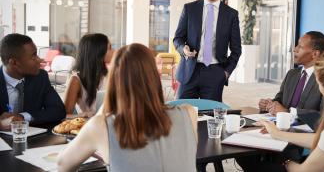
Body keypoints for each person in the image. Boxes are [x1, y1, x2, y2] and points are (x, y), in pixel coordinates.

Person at [57, 43, 197, 172]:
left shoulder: (100, 126)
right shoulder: (189, 113)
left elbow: (62, 165)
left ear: (114, 80)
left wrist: (108, 101)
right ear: (155, 76)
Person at [259, 49, 324, 171]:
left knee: (255, 163)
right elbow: (322, 138)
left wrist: (286, 162)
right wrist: (277, 133)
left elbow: (303, 170)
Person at [173, 0, 241, 102]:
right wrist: (183, 50)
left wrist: (225, 73)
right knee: (181, 113)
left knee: (210, 118)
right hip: (189, 70)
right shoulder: (189, 9)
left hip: (215, 72)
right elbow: (178, 38)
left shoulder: (231, 14)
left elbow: (236, 49)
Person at [259, 31, 324, 117]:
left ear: (315, 54)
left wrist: (287, 112)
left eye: (300, 46)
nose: (294, 49)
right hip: (280, 126)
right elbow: (279, 100)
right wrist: (269, 105)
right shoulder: (291, 74)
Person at [0, 33, 66, 127]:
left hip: (34, 138)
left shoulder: (40, 77)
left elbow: (58, 111)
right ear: (14, 63)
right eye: (33, 56)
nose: (40, 60)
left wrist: (23, 117)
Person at [64, 33, 114, 118]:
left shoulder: (109, 74)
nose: (113, 51)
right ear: (98, 52)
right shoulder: (76, 80)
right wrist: (84, 115)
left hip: (109, 124)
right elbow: (64, 115)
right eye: (109, 48)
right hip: (89, 127)